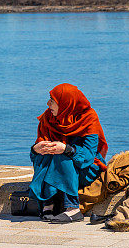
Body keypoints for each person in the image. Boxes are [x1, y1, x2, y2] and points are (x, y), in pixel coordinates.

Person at [30, 84, 108, 224]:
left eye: (52, 100)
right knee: (49, 152)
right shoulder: (49, 117)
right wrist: (36, 149)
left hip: (87, 167)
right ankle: (49, 203)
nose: (48, 104)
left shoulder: (88, 117)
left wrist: (67, 149)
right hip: (58, 168)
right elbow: (35, 155)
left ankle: (73, 209)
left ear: (66, 103)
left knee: (61, 154)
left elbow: (89, 155)